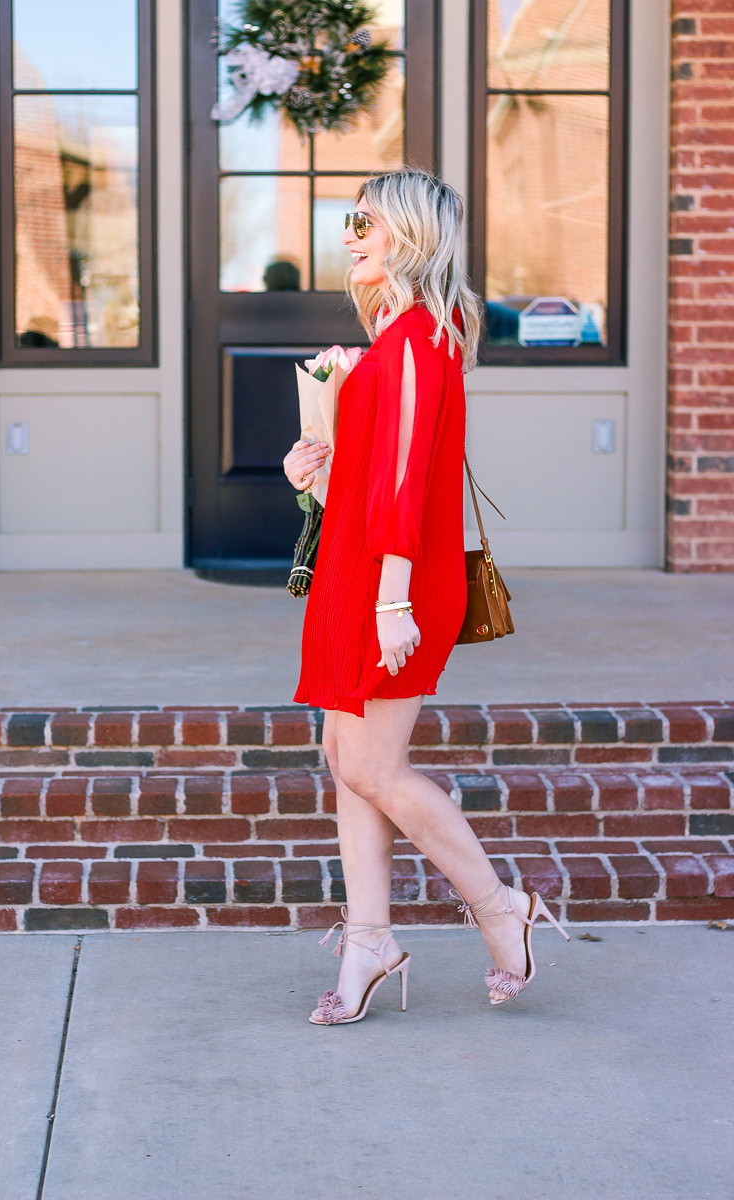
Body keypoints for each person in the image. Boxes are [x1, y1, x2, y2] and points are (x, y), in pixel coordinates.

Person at [283, 169, 568, 1026]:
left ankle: (500, 906)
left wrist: (394, 599)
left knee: (373, 764)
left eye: (363, 221)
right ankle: (370, 939)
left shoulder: (416, 341)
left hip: (390, 581)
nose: (349, 236)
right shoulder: (391, 338)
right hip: (355, 568)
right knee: (345, 761)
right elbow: (372, 477)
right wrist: (312, 474)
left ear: (407, 232)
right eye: (349, 221)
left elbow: (408, 485)